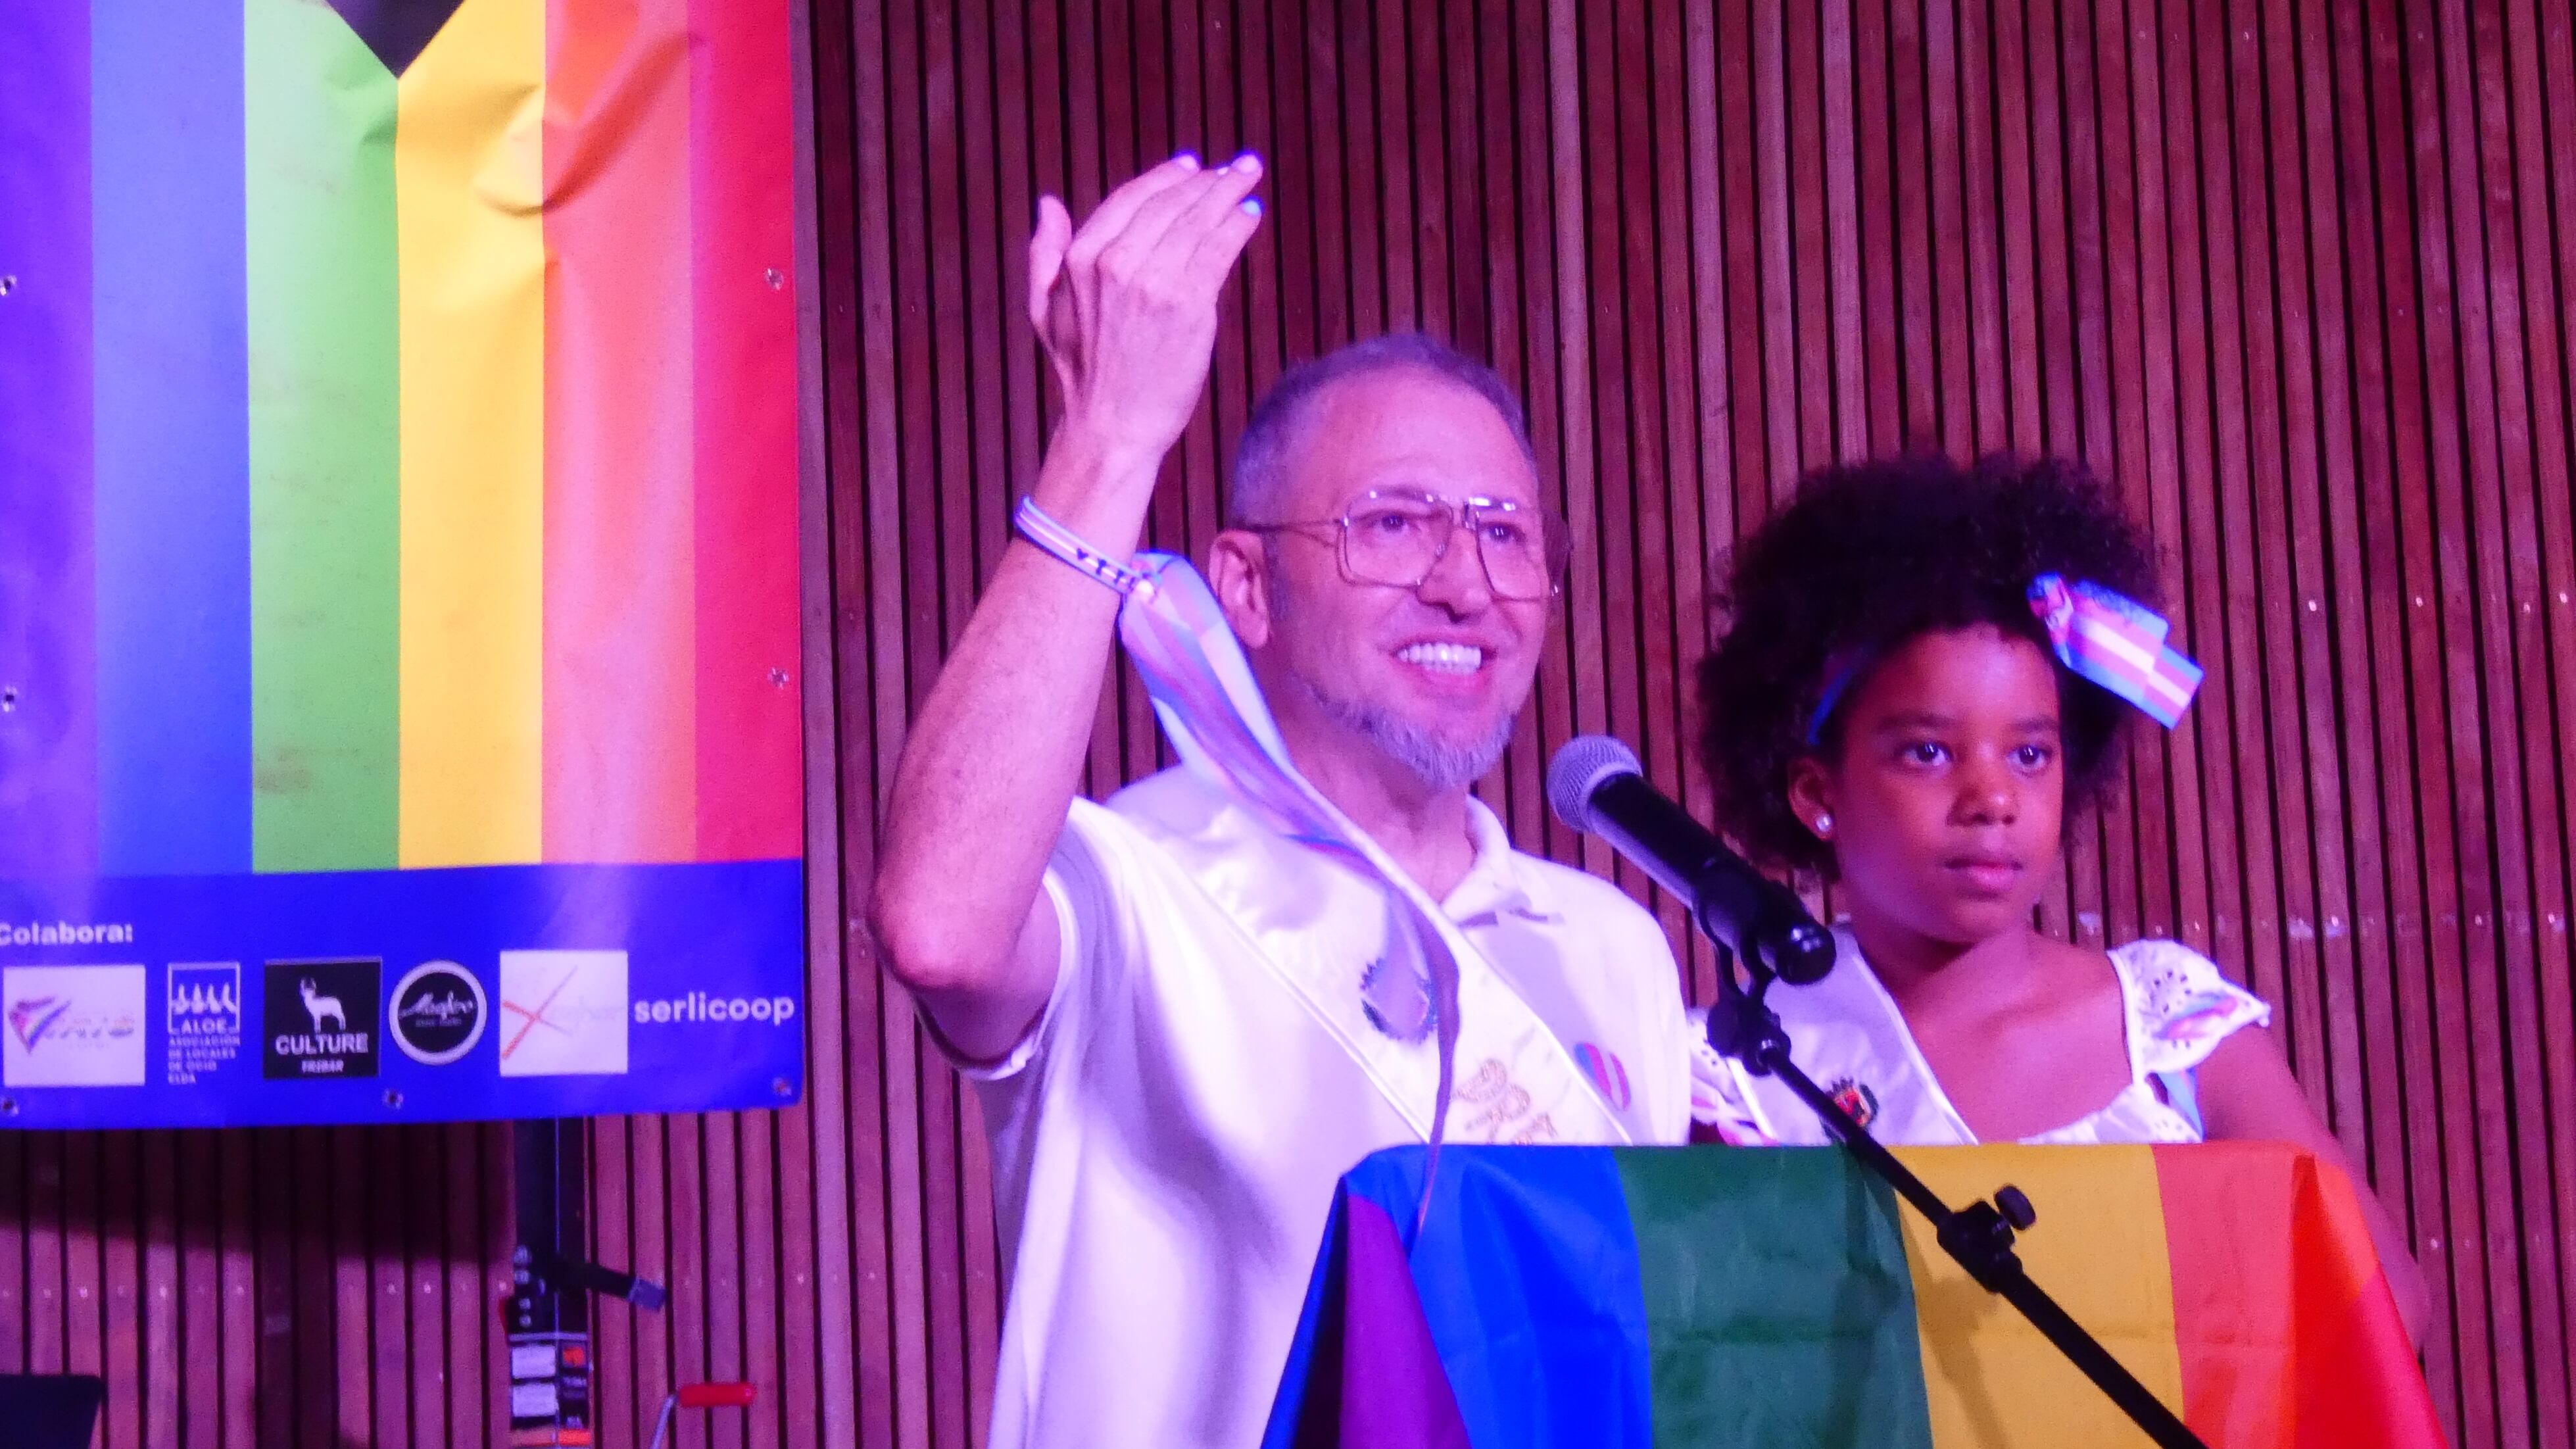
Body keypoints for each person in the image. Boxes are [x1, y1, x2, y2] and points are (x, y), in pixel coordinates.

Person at [871, 151, 1691, 1449]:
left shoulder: (1611, 948)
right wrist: (1110, 435)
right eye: (1395, 523)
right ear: (1244, 588)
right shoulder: (1127, 881)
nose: (1466, 585)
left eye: (1506, 531)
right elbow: (941, 927)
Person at [1686, 451, 2431, 1344]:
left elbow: (2382, 1314)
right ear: (1816, 793)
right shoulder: (1744, 1070)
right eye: (1928, 752)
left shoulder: (2166, 1033)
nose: (1991, 798)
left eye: (2028, 755)